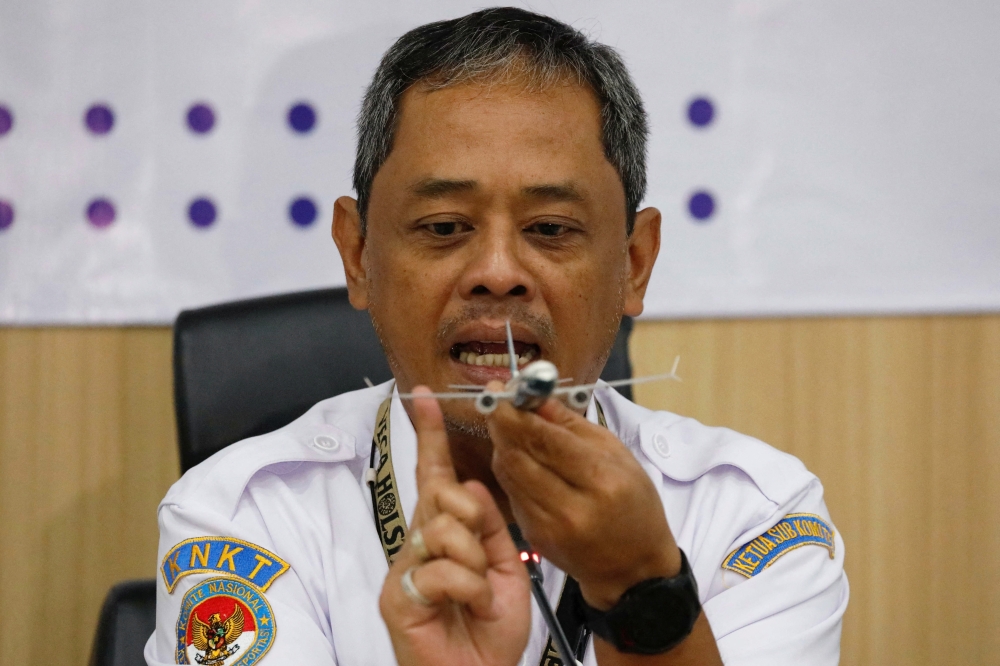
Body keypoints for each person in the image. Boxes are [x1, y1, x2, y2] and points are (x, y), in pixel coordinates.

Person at [144, 8, 848, 666]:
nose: (498, 272)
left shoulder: (753, 517)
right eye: (445, 227)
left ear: (634, 264)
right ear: (358, 256)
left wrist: (643, 591)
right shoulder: (244, 520)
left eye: (550, 230)